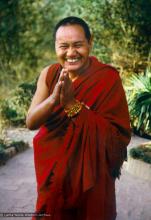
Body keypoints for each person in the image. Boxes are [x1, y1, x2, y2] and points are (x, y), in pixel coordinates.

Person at [26, 16, 131, 220]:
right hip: (53, 177)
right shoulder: (49, 73)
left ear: (90, 43)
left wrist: (72, 106)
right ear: (55, 46)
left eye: (78, 45)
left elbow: (117, 140)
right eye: (63, 46)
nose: (71, 53)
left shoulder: (108, 78)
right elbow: (31, 122)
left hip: (92, 181)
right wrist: (55, 99)